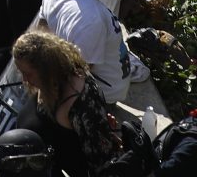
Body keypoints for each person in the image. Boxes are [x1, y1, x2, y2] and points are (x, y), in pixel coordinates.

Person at [11, 31, 123, 177]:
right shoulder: (46, 83)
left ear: (46, 68)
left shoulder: (81, 102)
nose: (24, 80)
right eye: (21, 72)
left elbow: (101, 159)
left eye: (28, 73)